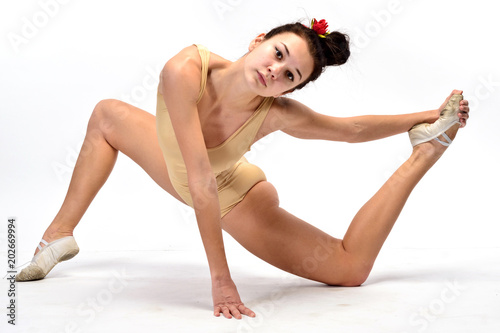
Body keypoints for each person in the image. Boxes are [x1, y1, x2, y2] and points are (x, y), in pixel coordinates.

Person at [16, 18, 470, 320]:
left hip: (233, 198)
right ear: (258, 42)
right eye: (277, 54)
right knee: (107, 115)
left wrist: (426, 117)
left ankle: (426, 153)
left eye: (291, 75)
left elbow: (348, 130)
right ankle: (58, 234)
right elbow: (194, 176)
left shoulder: (276, 113)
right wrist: (220, 278)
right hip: (189, 172)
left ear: (291, 90)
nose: (276, 71)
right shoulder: (184, 69)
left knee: (348, 269)